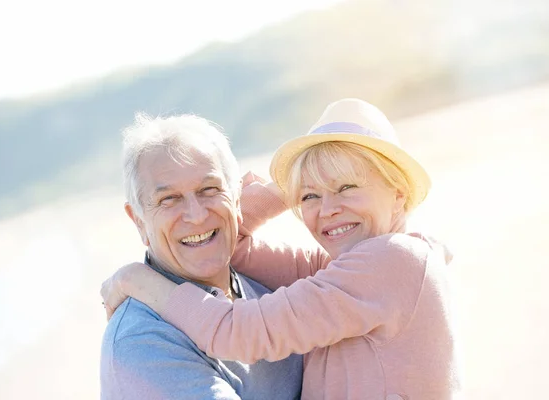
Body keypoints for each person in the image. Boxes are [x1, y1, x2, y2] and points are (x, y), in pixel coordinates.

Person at [102, 99, 460, 399]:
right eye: (310, 196)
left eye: (348, 186)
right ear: (138, 220)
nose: (328, 209)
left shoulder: (388, 263)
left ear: (399, 193)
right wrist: (287, 186)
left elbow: (236, 333)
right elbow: (235, 246)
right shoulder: (340, 272)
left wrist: (136, 279)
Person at [99, 114, 307, 400]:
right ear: (138, 221)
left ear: (236, 198)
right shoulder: (142, 342)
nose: (196, 216)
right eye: (168, 199)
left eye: (209, 190)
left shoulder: (267, 278)